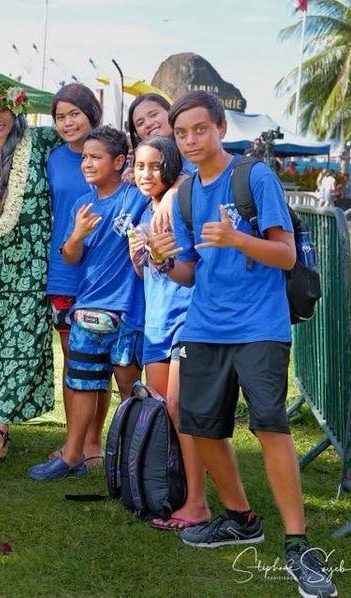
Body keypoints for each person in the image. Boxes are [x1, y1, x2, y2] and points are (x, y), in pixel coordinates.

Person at [147, 90, 337, 598]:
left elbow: (285, 254)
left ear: (220, 128)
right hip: (204, 326)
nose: (190, 140)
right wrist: (164, 259)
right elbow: (188, 274)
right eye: (181, 133)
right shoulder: (185, 194)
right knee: (199, 423)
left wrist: (238, 240)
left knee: (270, 427)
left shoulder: (254, 176)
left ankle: (298, 544)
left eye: (199, 130)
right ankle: (240, 518)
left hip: (260, 327)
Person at [28, 126, 145, 479]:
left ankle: (132, 463)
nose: (87, 164)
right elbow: (70, 256)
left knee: (129, 386)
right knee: (81, 382)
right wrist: (77, 234)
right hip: (88, 309)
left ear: (119, 161)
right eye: (84, 158)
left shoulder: (137, 197)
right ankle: (72, 455)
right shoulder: (83, 204)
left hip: (128, 313)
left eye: (96, 157)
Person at [0, 79, 61, 467]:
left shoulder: (40, 143)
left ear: (16, 110)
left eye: (4, 109)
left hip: (32, 264)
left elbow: (84, 132)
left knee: (22, 342)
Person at [125, 135, 209, 529]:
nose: (146, 173)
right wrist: (138, 257)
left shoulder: (181, 206)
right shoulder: (145, 210)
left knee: (179, 409)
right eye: (140, 166)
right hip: (154, 325)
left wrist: (163, 256)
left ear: (172, 166)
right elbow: (147, 272)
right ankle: (167, 489)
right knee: (160, 410)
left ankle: (198, 502)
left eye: (155, 165)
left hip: (184, 322)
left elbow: (187, 273)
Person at [45, 83, 104, 466]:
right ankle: (73, 441)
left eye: (74, 114)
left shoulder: (114, 154)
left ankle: (94, 443)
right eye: (60, 117)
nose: (67, 123)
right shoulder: (52, 158)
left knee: (102, 362)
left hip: (107, 274)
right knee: (74, 361)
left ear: (91, 114)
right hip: (64, 272)